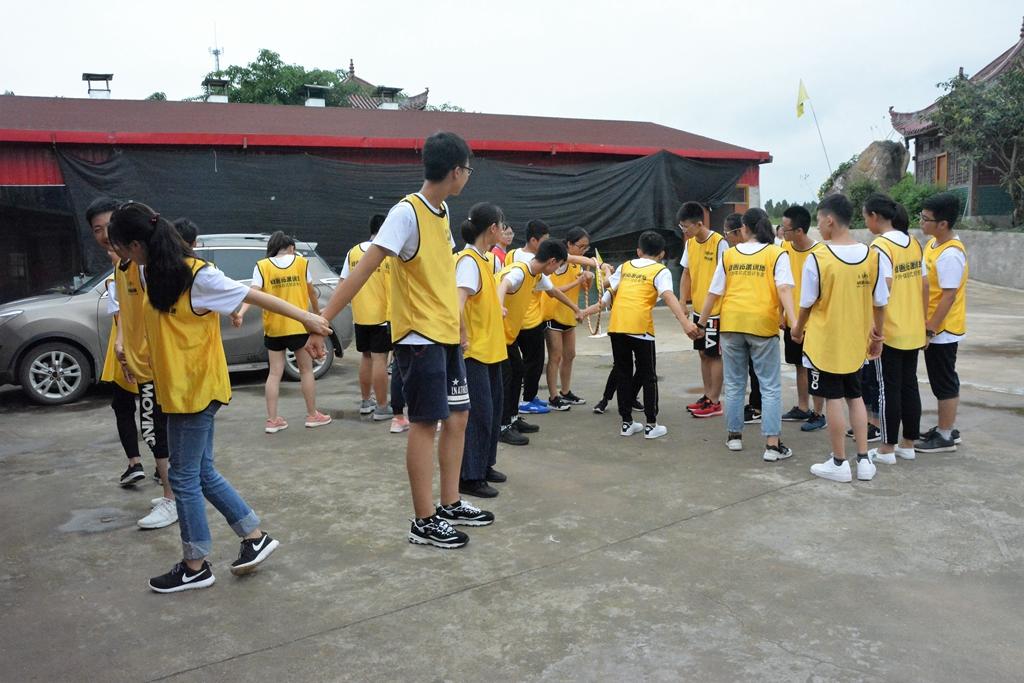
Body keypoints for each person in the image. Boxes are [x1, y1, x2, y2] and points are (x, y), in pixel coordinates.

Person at [108, 201, 331, 592]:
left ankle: (195, 565)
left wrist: (308, 318)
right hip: (177, 390)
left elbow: (254, 295)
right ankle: (253, 536)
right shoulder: (149, 272)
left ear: (137, 244)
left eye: (122, 249)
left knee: (183, 477)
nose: (121, 257)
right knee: (201, 472)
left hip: (196, 389)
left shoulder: (198, 276)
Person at [311, 132, 493, 549]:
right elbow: (364, 268)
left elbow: (442, 271)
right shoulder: (406, 213)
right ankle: (424, 520)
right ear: (456, 171)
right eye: (468, 169)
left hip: (445, 332)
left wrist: (459, 323)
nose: (468, 175)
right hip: (418, 337)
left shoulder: (442, 211)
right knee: (425, 423)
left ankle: (449, 503)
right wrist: (322, 319)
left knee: (459, 417)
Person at [87, 197, 177, 530]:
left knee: (155, 428)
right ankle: (173, 491)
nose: (105, 235)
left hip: (156, 361)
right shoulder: (122, 267)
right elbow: (125, 311)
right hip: (139, 359)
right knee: (152, 425)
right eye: (97, 230)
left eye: (109, 227)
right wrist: (123, 344)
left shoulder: (144, 265)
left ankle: (172, 498)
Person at [790, 193, 889, 483]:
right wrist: (877, 336)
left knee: (833, 398)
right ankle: (863, 460)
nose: (818, 226)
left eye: (819, 221)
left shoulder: (818, 257)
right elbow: (880, 302)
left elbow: (806, 303)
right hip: (856, 342)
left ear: (830, 220)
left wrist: (797, 329)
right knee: (855, 396)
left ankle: (839, 462)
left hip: (826, 343)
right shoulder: (872, 255)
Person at [695, 208, 796, 462]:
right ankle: (772, 446)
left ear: (744, 228)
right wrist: (794, 322)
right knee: (769, 385)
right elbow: (784, 289)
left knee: (734, 382)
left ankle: (734, 437)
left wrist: (701, 323)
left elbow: (714, 292)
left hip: (731, 323)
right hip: (762, 324)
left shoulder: (730, 255)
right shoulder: (776, 253)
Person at [585, 230, 695, 439]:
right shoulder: (660, 270)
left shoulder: (626, 266)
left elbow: (605, 290)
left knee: (623, 374)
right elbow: (668, 296)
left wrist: (603, 273)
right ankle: (651, 424)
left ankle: (627, 423)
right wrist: (685, 323)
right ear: (662, 254)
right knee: (648, 376)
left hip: (617, 326)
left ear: (638, 251)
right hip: (640, 327)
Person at [233, 231, 331, 433]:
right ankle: (312, 415)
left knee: (274, 373)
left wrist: (241, 313)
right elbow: (311, 292)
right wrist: (316, 313)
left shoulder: (262, 266)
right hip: (298, 325)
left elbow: (252, 293)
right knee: (306, 371)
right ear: (291, 248)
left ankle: (272, 420)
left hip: (274, 328)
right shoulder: (301, 263)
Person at [497, 239, 579, 445]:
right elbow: (504, 283)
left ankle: (512, 418)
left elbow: (553, 291)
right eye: (559, 265)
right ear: (552, 261)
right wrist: (499, 305)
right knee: (508, 376)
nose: (557, 270)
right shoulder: (520, 271)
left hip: (507, 334)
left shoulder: (536, 275)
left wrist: (576, 309)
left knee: (517, 371)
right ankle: (502, 426)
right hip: (495, 332)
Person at [862, 193, 925, 465]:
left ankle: (887, 448)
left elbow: (883, 287)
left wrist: (875, 329)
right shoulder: (914, 243)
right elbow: (924, 284)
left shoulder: (880, 246)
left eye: (865, 217)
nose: (866, 222)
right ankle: (908, 444)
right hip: (913, 328)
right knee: (909, 386)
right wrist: (923, 323)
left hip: (890, 330)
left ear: (875, 216)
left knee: (888, 389)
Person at [455, 203, 509, 498]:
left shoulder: (485, 259)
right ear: (492, 228)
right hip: (474, 352)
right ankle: (469, 476)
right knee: (478, 416)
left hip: (491, 350)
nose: (505, 230)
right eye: (502, 225)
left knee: (492, 412)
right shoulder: (468, 262)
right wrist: (463, 333)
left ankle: (485, 465)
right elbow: (457, 303)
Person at [916, 191, 968, 453]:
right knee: (940, 379)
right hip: (934, 325)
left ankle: (946, 435)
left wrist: (930, 329)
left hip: (942, 329)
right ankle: (945, 427)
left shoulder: (950, 254)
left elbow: (948, 296)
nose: (921, 222)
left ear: (943, 224)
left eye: (926, 219)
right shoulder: (934, 245)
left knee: (944, 381)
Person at [341, 214, 394, 421]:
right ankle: (382, 406)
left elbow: (343, 283)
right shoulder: (388, 252)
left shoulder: (353, 252)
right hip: (383, 316)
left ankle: (365, 401)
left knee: (365, 357)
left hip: (361, 316)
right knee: (380, 359)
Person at [777, 206, 826, 428]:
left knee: (815, 367)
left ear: (799, 230)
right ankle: (803, 407)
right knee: (798, 365)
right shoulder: (784, 248)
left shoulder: (821, 253)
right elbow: (781, 283)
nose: (781, 232)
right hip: (792, 320)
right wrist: (781, 313)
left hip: (813, 323)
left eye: (785, 229)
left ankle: (818, 413)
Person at [678, 201, 728, 419]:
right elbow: (686, 273)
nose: (684, 230)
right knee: (702, 353)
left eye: (686, 226)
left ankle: (715, 401)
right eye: (681, 226)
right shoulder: (690, 244)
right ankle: (707, 396)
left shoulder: (719, 243)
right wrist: (682, 301)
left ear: (699, 224)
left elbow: (725, 278)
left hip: (716, 310)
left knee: (713, 354)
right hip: (699, 309)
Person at [543, 226, 595, 409]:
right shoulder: (558, 262)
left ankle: (565, 391)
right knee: (555, 356)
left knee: (570, 355)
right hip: (553, 314)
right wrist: (577, 281)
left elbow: (584, 288)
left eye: (586, 247)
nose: (583, 250)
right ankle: (553, 397)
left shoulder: (576, 264)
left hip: (569, 316)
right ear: (569, 244)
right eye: (580, 246)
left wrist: (588, 278)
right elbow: (552, 290)